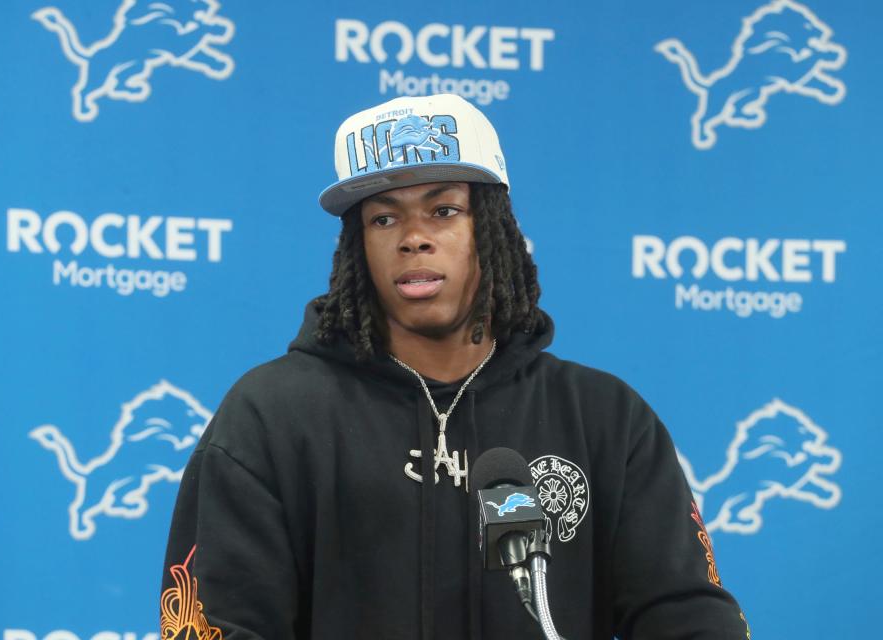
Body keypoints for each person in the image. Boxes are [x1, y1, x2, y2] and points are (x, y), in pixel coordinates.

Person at [160, 94, 750, 640]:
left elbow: (687, 617)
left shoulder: (605, 417)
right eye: (383, 219)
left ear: (492, 230)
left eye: (443, 210)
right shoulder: (272, 415)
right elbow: (221, 623)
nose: (413, 238)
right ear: (357, 245)